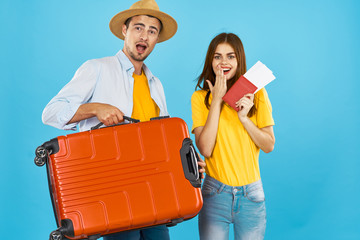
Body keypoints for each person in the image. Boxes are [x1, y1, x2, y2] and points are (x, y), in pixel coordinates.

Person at [42, 0, 205, 239]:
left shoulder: (155, 84)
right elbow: (51, 112)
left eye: (152, 31)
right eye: (138, 27)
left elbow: (165, 141)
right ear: (124, 31)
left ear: (157, 39)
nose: (145, 36)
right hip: (114, 193)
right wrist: (95, 108)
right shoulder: (97, 68)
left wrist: (189, 163)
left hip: (154, 195)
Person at [191, 32, 275, 240]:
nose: (223, 62)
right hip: (215, 192)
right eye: (217, 56)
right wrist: (217, 100)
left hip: (251, 195)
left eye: (230, 56)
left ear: (239, 59)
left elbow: (268, 145)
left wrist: (245, 118)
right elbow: (206, 149)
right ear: (211, 60)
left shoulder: (257, 94)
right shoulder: (200, 98)